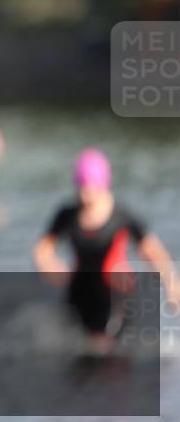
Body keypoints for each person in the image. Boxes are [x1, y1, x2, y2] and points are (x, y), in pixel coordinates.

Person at [33, 148, 180, 353]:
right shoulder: (67, 215)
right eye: (81, 186)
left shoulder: (122, 216)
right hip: (79, 292)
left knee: (108, 356)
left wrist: (171, 284)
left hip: (115, 296)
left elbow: (152, 251)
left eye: (90, 186)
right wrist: (50, 266)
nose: (85, 194)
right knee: (79, 358)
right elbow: (43, 248)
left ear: (103, 184)